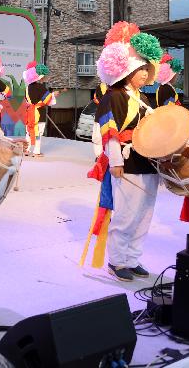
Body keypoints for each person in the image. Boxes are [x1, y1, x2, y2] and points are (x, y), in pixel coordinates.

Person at [80, 21, 163, 282]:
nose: (145, 74)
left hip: (148, 162)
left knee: (144, 214)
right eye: (140, 69)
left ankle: (133, 258)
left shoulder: (145, 99)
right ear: (127, 71)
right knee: (126, 214)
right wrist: (114, 160)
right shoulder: (113, 96)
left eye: (146, 69)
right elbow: (108, 131)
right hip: (126, 162)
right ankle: (117, 261)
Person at [22, 61, 59, 157]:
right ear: (40, 76)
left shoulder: (27, 88)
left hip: (29, 112)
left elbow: (27, 100)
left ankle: (26, 150)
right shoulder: (41, 88)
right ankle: (36, 151)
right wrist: (53, 95)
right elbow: (48, 101)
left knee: (29, 130)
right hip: (39, 112)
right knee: (39, 131)